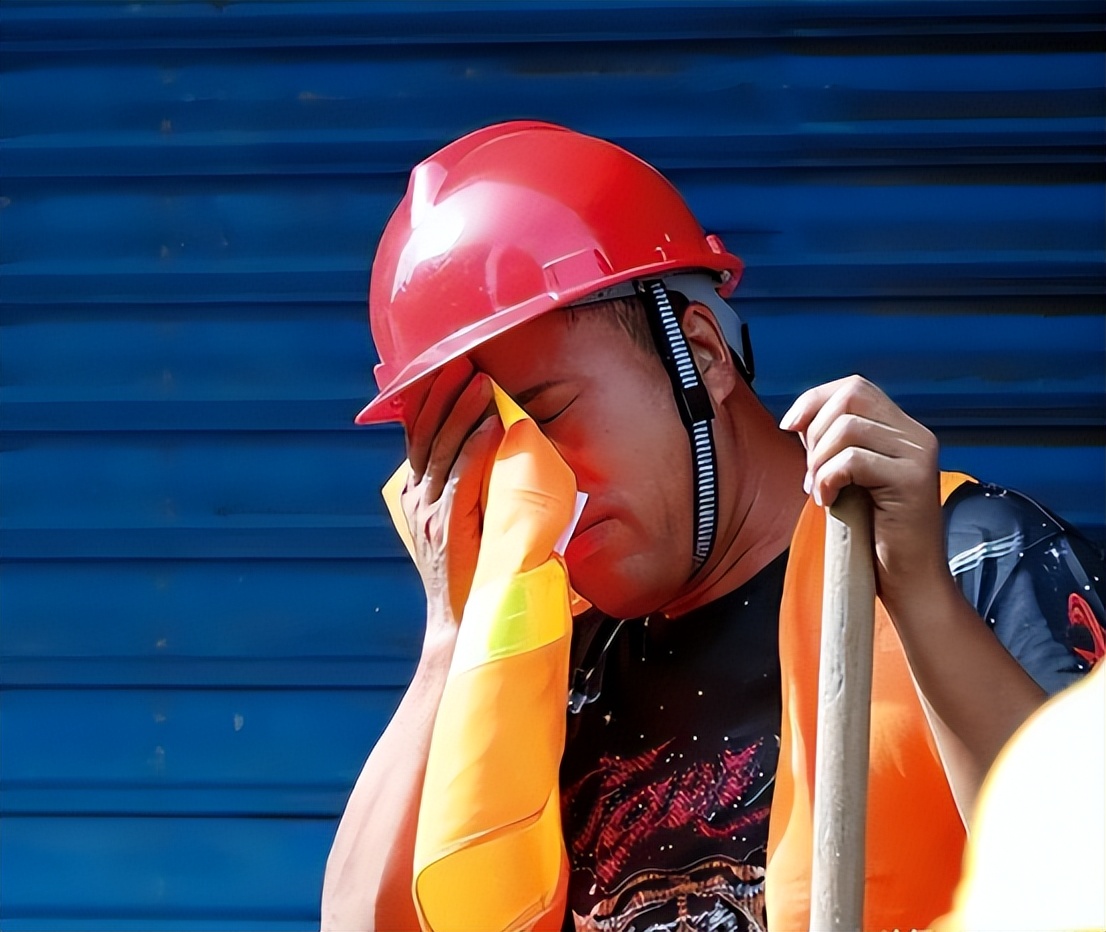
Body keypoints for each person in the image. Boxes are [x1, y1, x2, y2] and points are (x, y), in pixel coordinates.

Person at [320, 121, 1105, 932]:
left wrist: (921, 599)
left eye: (547, 419)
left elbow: (1086, 878)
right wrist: (451, 639)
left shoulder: (973, 560)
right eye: (493, 458)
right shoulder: (554, 659)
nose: (538, 492)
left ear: (700, 354)